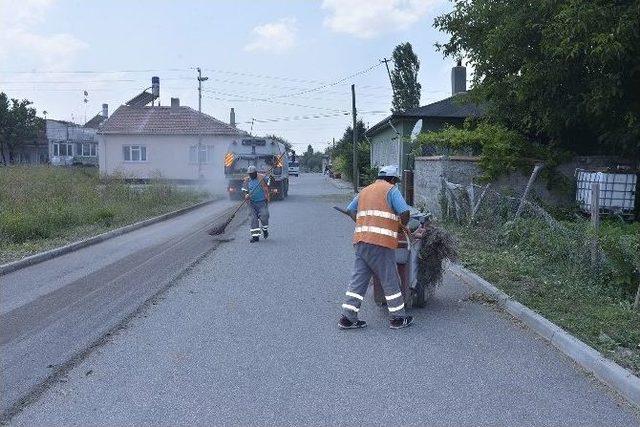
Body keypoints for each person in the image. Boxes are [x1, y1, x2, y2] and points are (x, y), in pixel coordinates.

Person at [338, 165, 414, 330]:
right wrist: (400, 228)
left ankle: (348, 318)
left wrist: (363, 224)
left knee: (358, 280)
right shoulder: (391, 190)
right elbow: (405, 213)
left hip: (361, 241)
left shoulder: (365, 190)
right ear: (393, 179)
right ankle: (398, 318)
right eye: (395, 181)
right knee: (390, 279)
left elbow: (351, 210)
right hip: (380, 243)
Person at [242, 165, 270, 243]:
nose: (251, 175)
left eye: (253, 173)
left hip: (262, 202)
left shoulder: (262, 178)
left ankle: (265, 230)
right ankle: (255, 237)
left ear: (256, 173)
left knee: (264, 216)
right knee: (253, 219)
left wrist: (268, 177)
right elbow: (244, 190)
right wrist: (246, 194)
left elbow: (271, 182)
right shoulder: (247, 180)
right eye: (250, 174)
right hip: (252, 203)